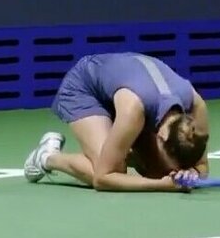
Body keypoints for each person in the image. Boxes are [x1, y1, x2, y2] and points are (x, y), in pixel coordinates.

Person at [23, 52, 210, 192]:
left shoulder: (196, 110)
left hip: (125, 89)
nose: (177, 169)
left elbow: (202, 167)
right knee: (113, 170)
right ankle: (47, 157)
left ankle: (123, 149)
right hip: (85, 87)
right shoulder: (133, 110)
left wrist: (192, 173)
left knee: (158, 168)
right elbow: (103, 179)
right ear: (160, 136)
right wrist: (161, 185)